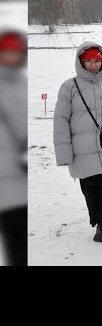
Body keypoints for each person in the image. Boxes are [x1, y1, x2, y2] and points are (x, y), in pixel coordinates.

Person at [54, 42, 102, 246]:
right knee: (91, 190)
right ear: (81, 62)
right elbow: (61, 120)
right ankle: (100, 225)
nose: (93, 65)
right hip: (83, 151)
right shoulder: (69, 86)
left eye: (97, 61)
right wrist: (64, 154)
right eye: (89, 61)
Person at [0, 30, 28, 263]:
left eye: (15, 52)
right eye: (6, 52)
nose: (11, 56)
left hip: (21, 173)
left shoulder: (23, 84)